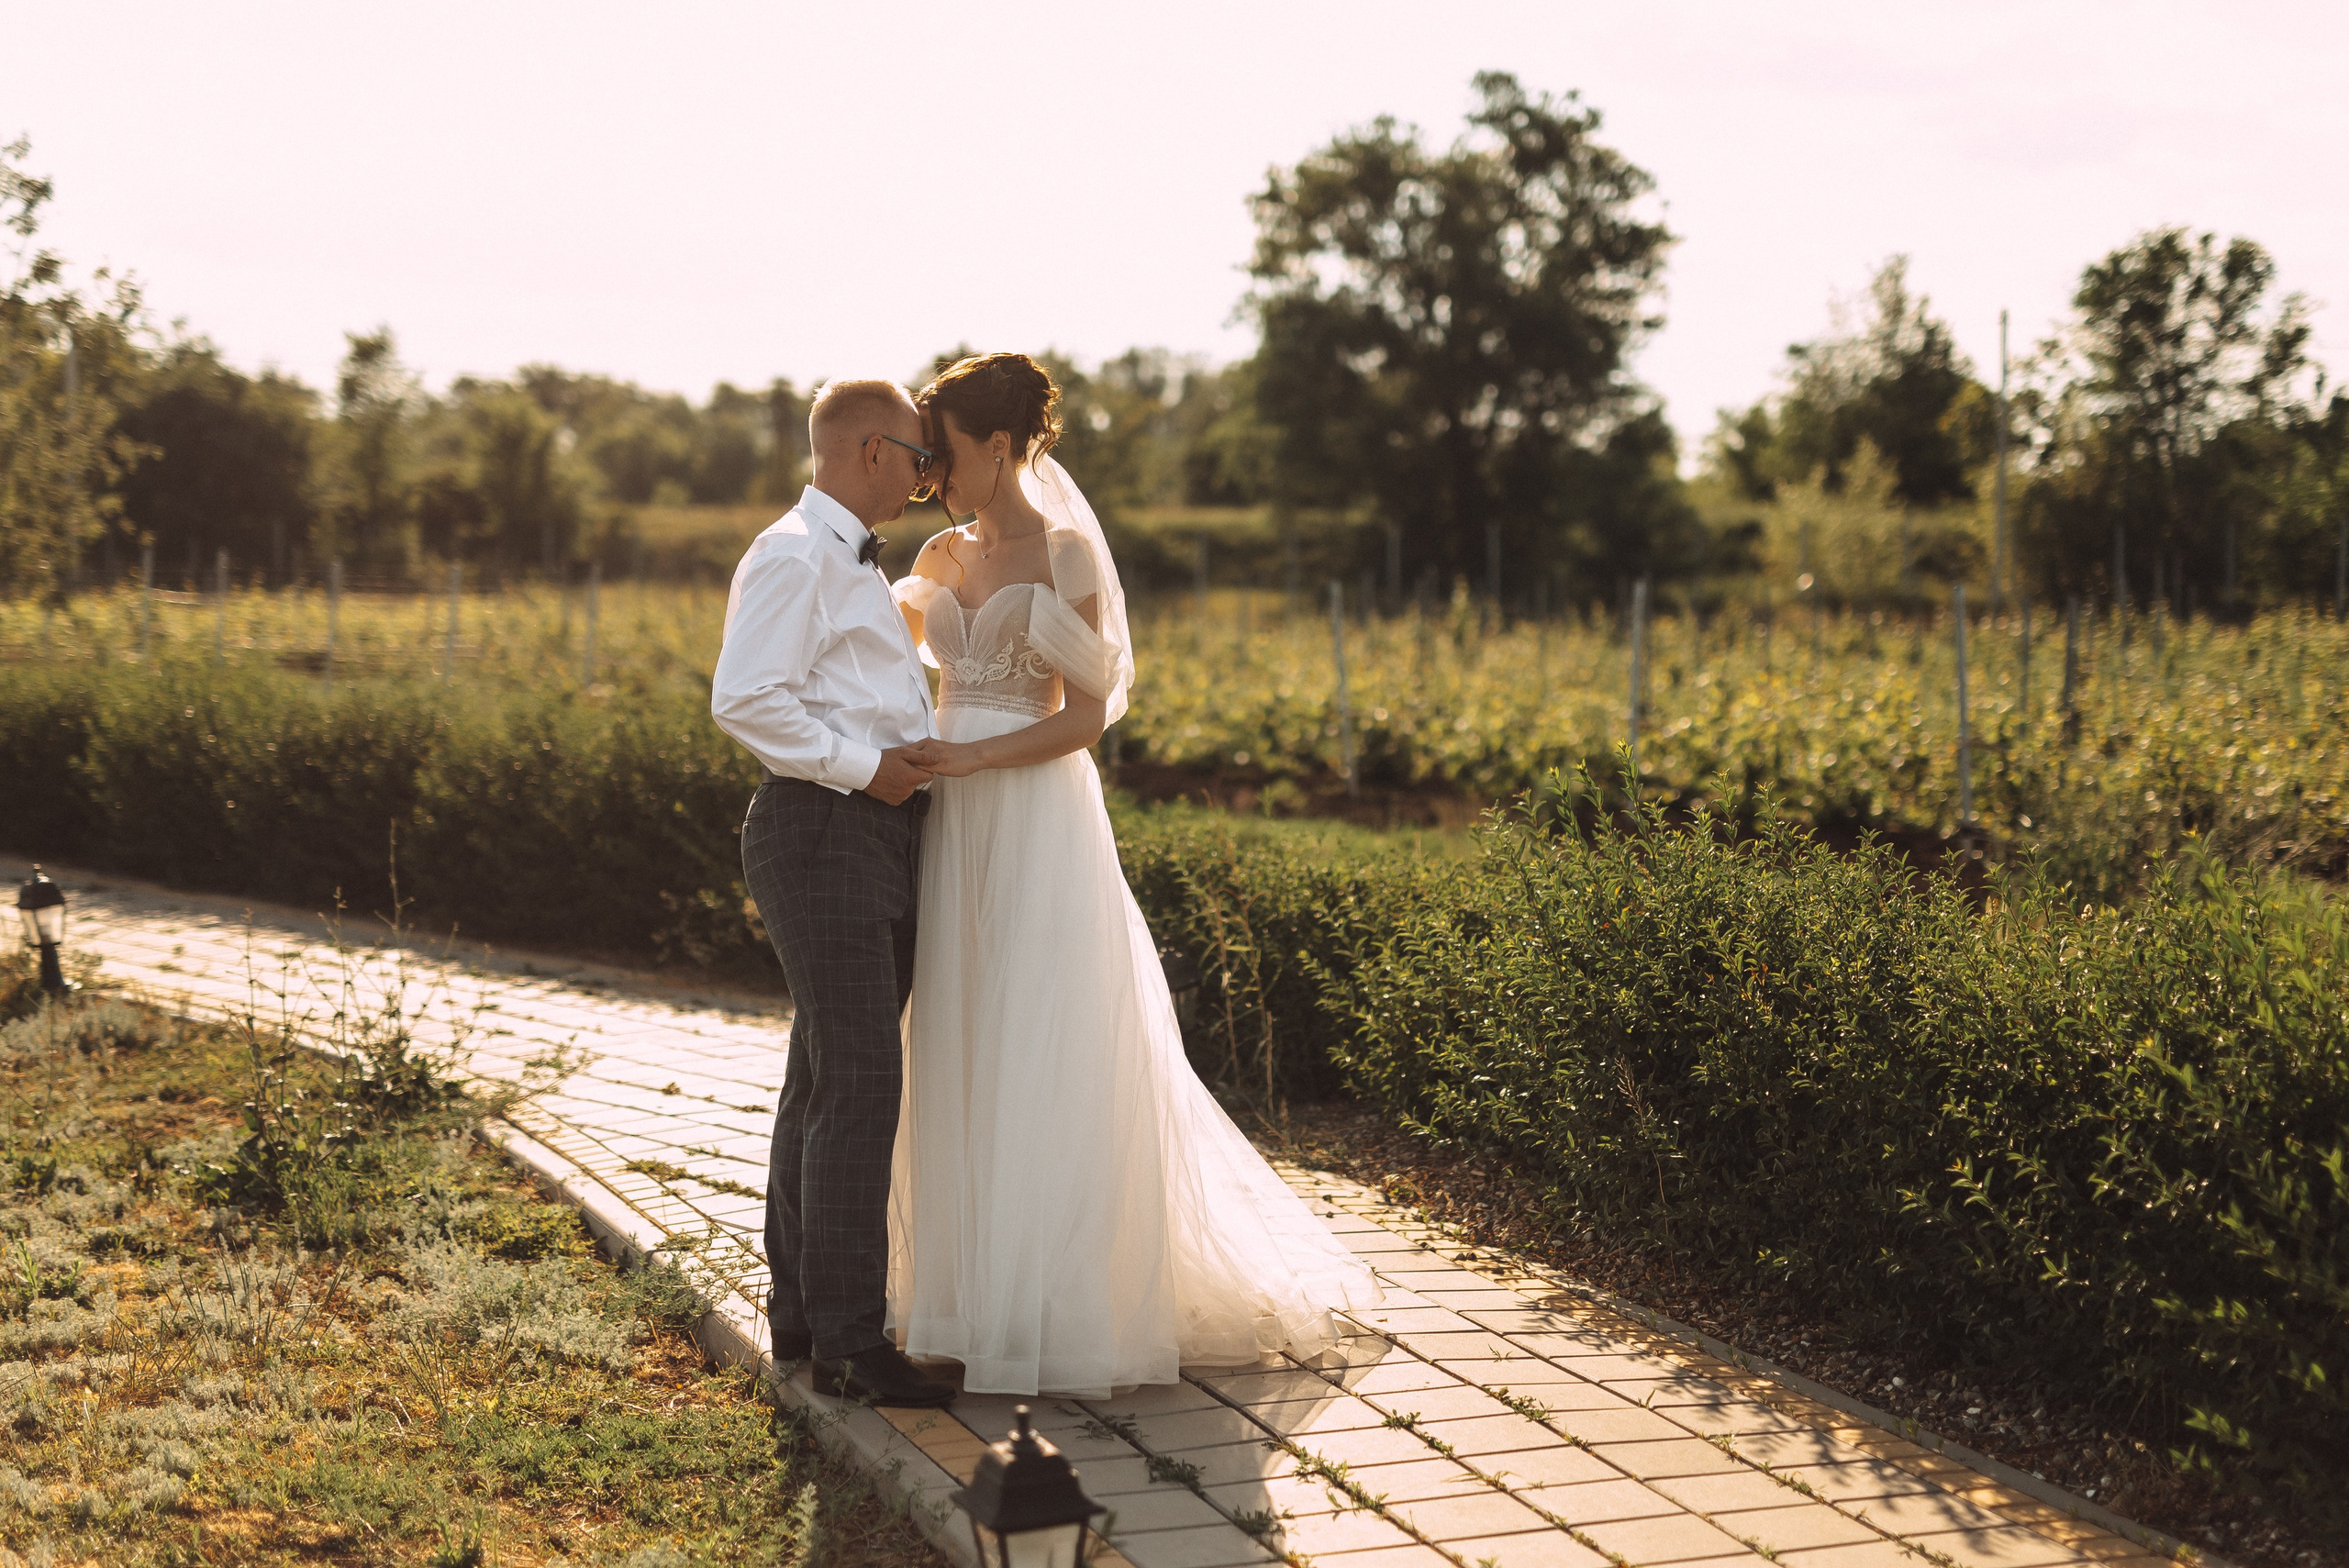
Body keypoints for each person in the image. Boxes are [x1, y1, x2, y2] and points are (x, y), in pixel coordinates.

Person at [885, 352, 1378, 1396]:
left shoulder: (1063, 555)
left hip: (1030, 812)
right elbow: (884, 663)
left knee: (1039, 1032)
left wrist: (971, 753)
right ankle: (961, 1297)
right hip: (951, 820)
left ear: (1004, 444)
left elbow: (1082, 714)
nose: (934, 473)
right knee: (958, 1029)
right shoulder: (935, 551)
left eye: (948, 451)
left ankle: (1050, 1303)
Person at [710, 377, 958, 1407]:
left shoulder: (850, 559)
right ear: (869, 450)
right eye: (916, 454)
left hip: (869, 829)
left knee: (823, 1079)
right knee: (859, 1079)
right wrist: (868, 770)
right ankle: (855, 1343)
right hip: (824, 830)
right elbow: (744, 698)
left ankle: (810, 1322)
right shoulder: (796, 551)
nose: (925, 474)